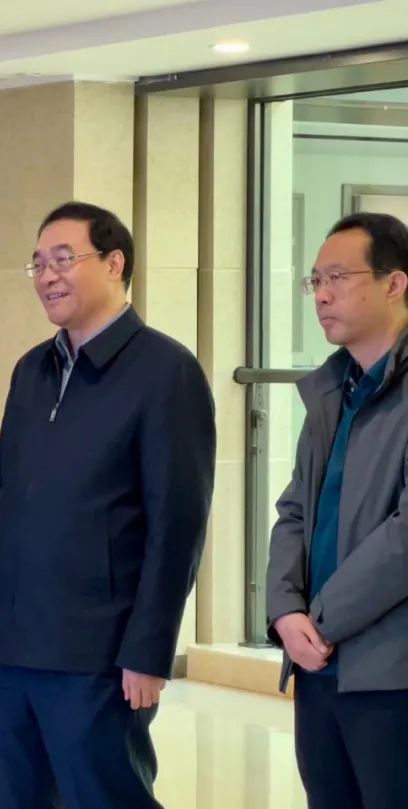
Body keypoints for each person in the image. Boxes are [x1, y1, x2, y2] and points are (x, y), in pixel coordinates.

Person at [0, 201, 215, 809]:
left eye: (63, 259)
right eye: (38, 263)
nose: (47, 275)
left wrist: (149, 651)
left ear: (115, 264)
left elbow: (177, 527)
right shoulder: (32, 370)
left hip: (99, 654)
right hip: (12, 647)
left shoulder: (166, 371)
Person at [266, 212, 408, 809]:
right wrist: (283, 610)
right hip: (318, 666)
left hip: (390, 673)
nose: (322, 295)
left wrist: (319, 621)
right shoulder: (331, 390)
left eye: (338, 278)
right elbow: (295, 509)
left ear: (394, 283)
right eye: (315, 281)